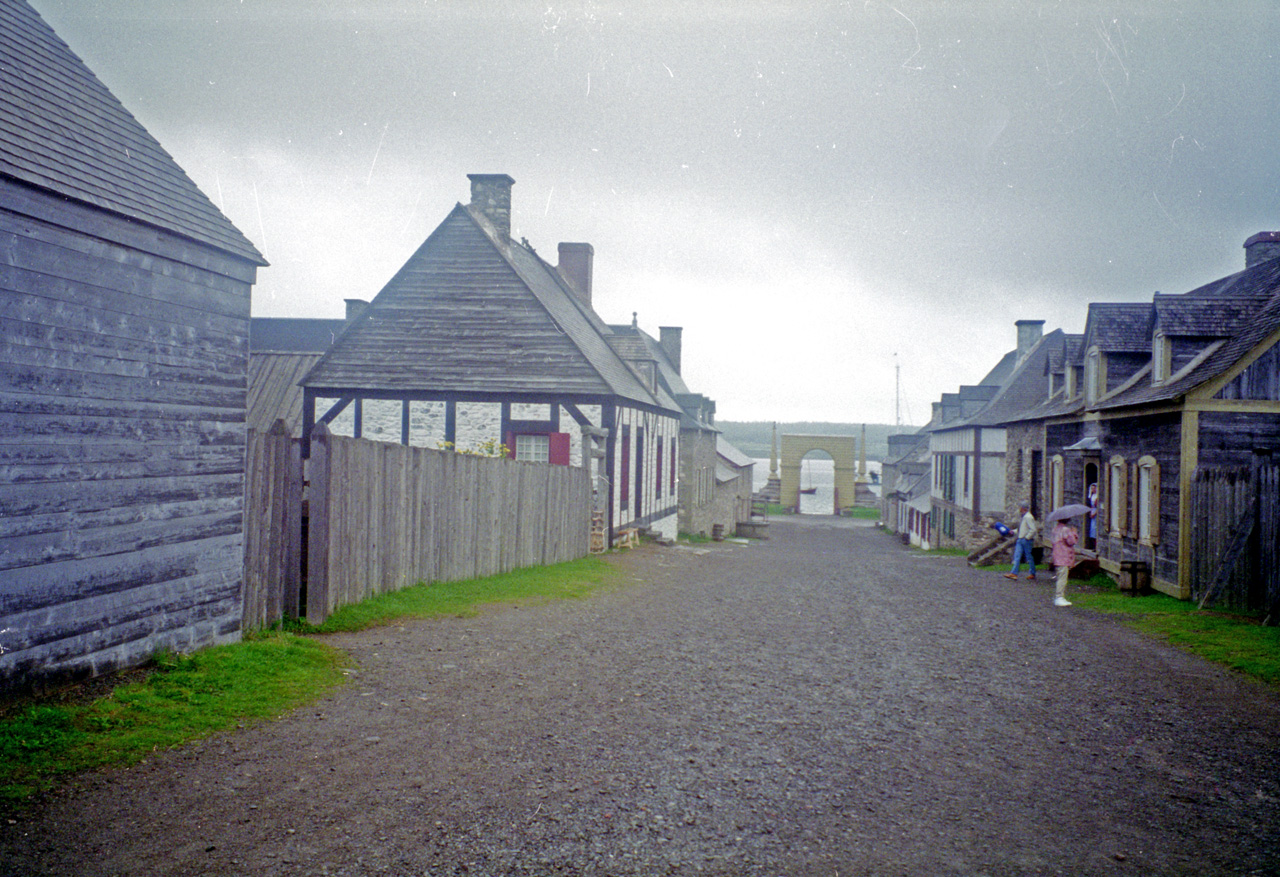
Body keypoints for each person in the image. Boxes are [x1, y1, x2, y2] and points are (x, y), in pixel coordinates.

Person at [1004, 503, 1037, 581]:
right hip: (1020, 539)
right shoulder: (1024, 517)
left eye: (1020, 507)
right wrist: (1014, 531)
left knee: (1028, 557)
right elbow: (1022, 529)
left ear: (1023, 508)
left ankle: (1032, 573)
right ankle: (1014, 573)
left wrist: (1027, 537)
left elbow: (1033, 529)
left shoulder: (1028, 517)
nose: (1019, 509)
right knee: (1017, 556)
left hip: (1026, 540)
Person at [1051, 520, 1079, 607]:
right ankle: (1059, 597)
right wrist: (1074, 533)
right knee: (1063, 577)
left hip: (1057, 555)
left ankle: (1059, 596)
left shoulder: (1055, 529)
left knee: (1060, 575)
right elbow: (1072, 542)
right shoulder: (1066, 530)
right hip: (1064, 556)